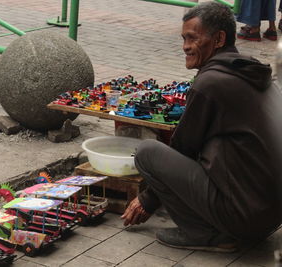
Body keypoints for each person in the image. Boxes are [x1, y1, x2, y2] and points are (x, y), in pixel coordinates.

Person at [121, 2, 282, 253]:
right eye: (184, 38)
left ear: (218, 39)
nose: (185, 46)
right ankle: (224, 225)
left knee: (148, 153)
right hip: (270, 215)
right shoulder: (250, 70)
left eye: (193, 38)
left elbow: (184, 147)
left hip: (246, 219)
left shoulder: (211, 82)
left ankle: (207, 234)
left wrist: (147, 200)